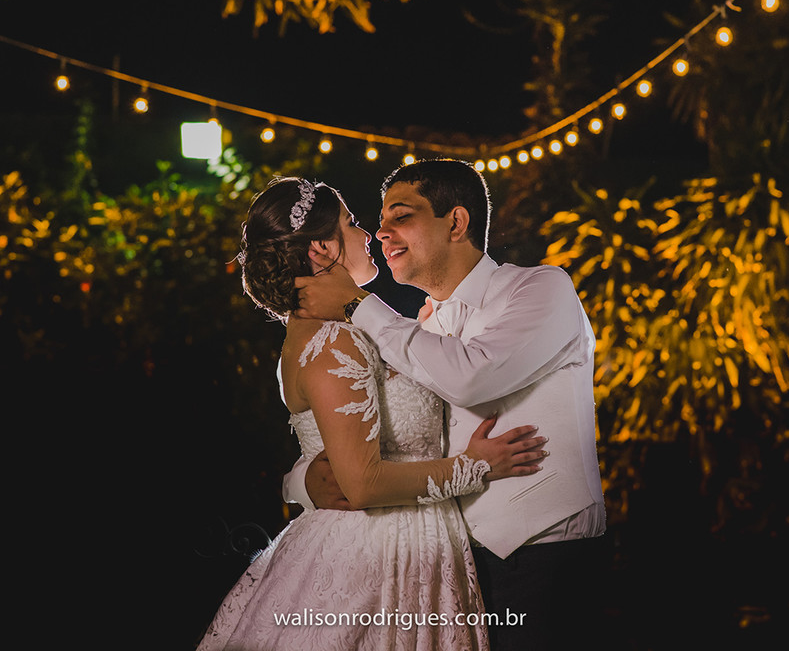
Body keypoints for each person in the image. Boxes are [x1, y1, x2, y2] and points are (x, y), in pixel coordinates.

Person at [197, 176, 548, 650]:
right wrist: (479, 467)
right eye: (352, 223)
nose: (369, 237)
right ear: (322, 250)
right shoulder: (334, 341)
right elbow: (362, 484)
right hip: (380, 554)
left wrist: (298, 479)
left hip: (405, 544)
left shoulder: (325, 333)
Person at [291, 158, 607, 650]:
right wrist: (302, 480)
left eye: (401, 216)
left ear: (456, 223)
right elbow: (385, 442)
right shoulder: (418, 331)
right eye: (379, 219)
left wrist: (357, 303)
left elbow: (473, 376)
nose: (381, 231)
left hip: (545, 558)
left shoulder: (541, 289)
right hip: (446, 569)